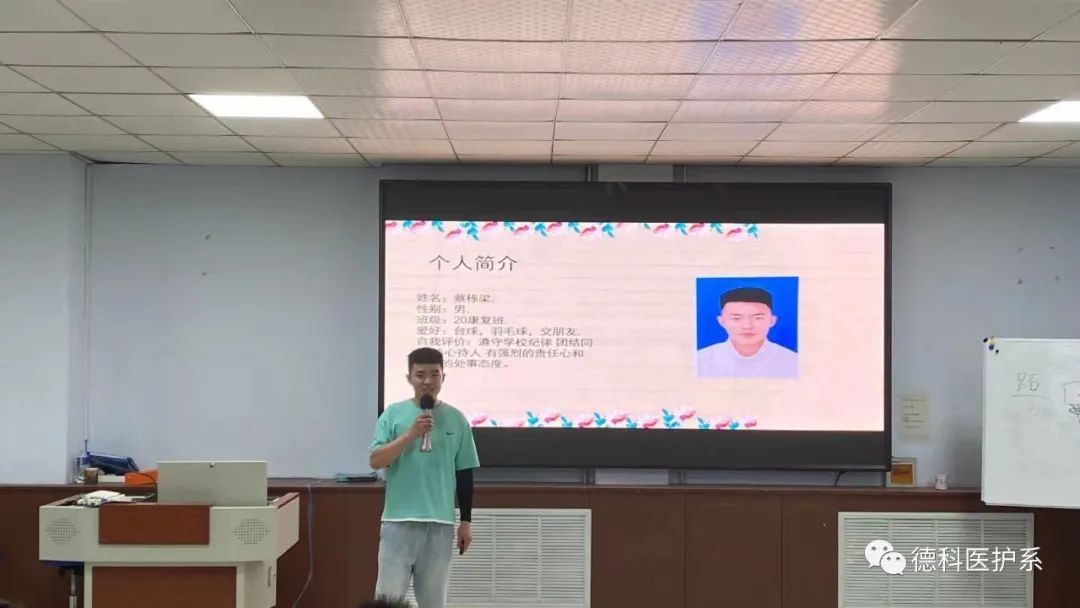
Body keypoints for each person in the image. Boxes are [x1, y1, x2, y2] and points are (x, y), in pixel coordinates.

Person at [369, 347, 479, 608]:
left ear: (443, 377)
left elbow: (464, 473)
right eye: (420, 375)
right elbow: (376, 460)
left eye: (434, 374)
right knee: (388, 600)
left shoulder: (457, 419)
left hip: (439, 524)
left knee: (434, 602)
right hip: (398, 521)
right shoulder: (393, 414)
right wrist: (410, 435)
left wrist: (466, 521)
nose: (427, 381)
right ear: (409, 378)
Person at [696, 286, 798, 378]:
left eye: (758, 318)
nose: (747, 326)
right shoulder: (699, 361)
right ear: (722, 321)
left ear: (772, 321)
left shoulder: (793, 361)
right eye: (736, 318)